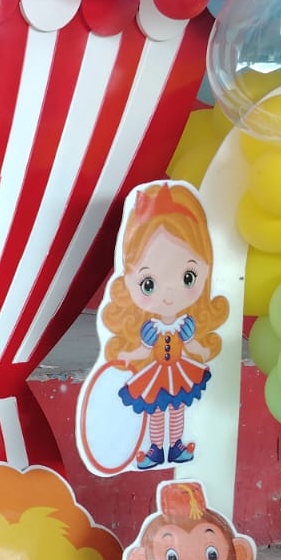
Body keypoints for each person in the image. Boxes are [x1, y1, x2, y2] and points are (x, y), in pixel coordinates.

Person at [100, 181, 228, 470]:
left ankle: (176, 445)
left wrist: (199, 349)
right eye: (148, 283)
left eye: (188, 278)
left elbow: (196, 349)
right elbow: (142, 352)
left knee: (178, 408)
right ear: (128, 279)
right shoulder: (148, 329)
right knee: (157, 410)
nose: (169, 293)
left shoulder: (187, 323)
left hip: (181, 370)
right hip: (156, 372)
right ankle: (157, 448)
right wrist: (129, 354)